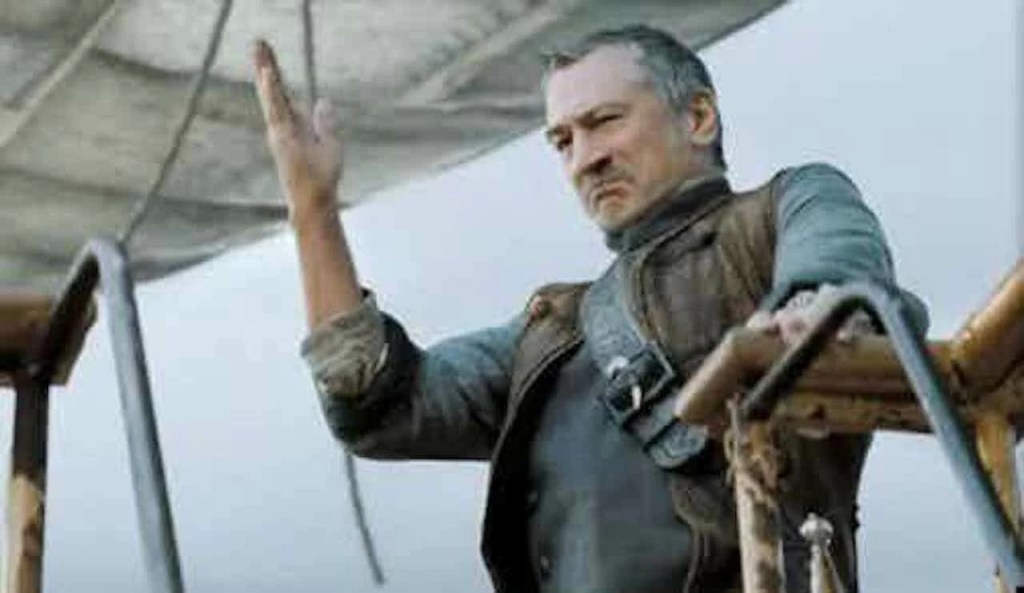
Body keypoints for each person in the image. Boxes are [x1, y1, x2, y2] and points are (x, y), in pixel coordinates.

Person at [252, 25, 925, 593]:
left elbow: (837, 275)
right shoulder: (552, 331)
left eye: (604, 121)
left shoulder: (779, 212)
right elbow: (380, 403)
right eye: (563, 140)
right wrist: (313, 212)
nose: (585, 159)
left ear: (698, 117)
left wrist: (813, 318)